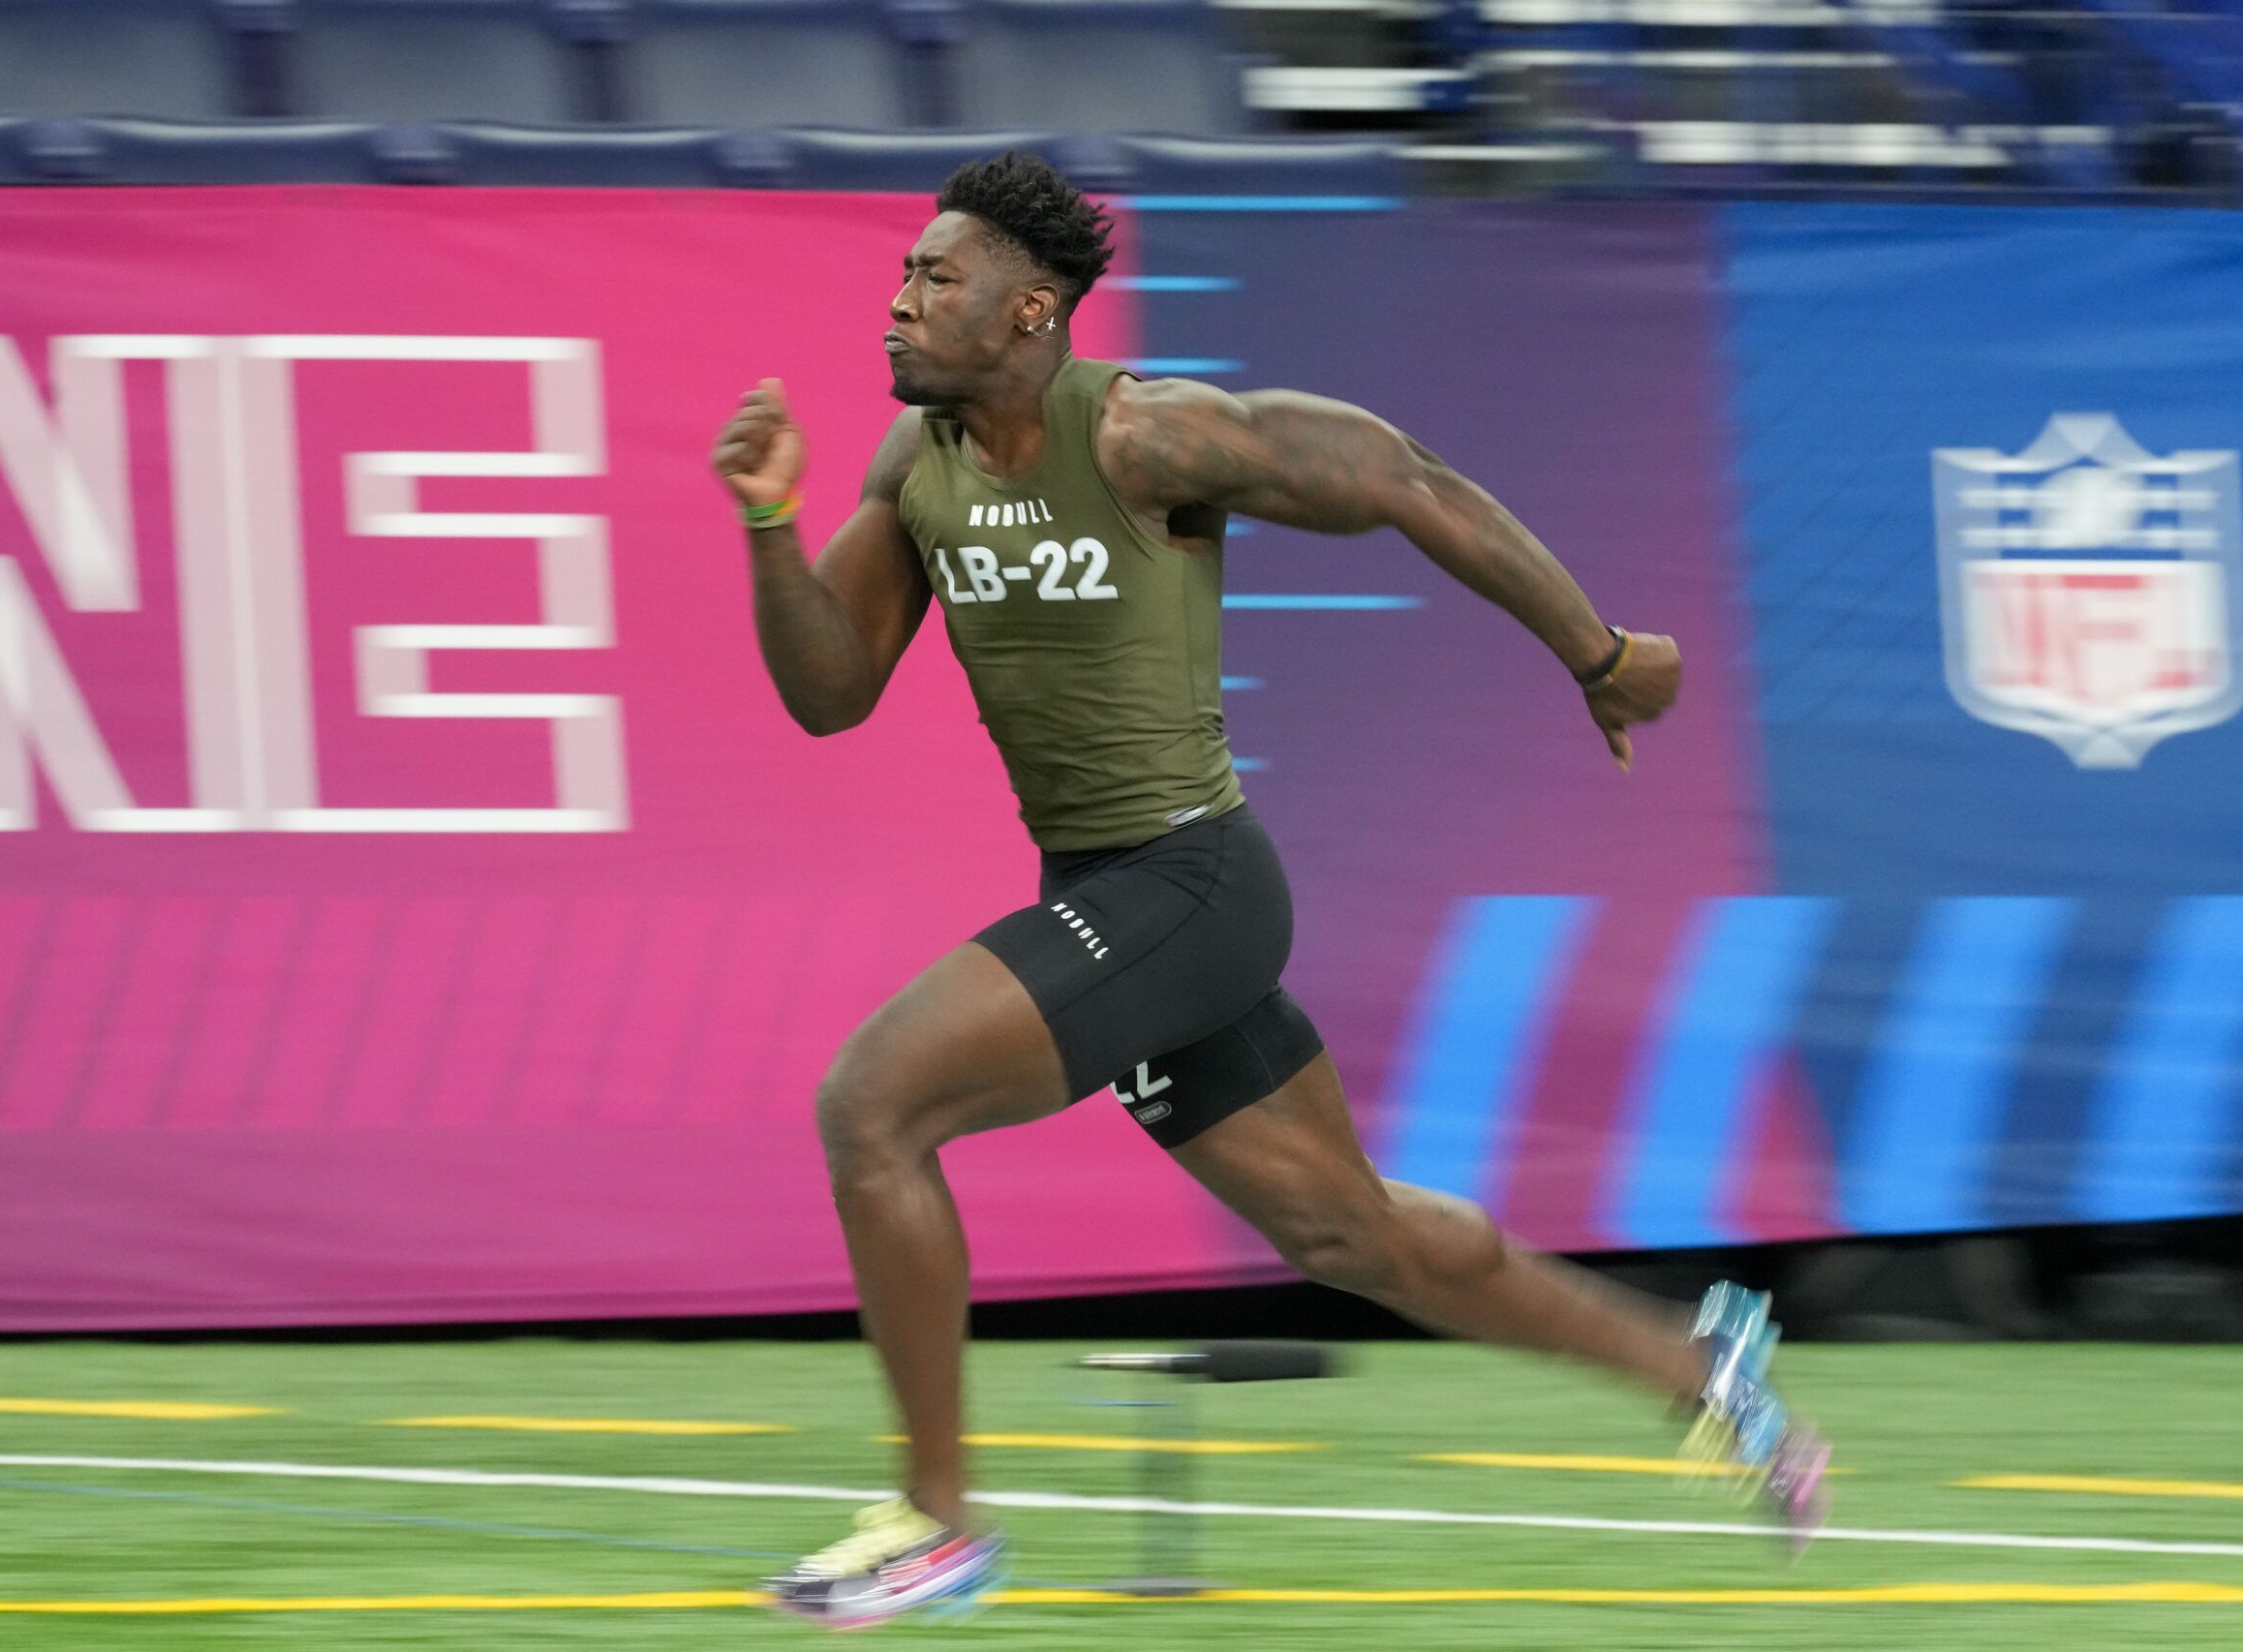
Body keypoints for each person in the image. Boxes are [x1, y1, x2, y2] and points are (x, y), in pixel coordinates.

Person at [712, 151, 1827, 1630]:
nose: (902, 299)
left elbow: (1403, 481)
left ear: (1032, 308)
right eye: (905, 273)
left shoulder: (1146, 436)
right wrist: (769, 526)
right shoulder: (911, 470)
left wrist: (1598, 653)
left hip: (1194, 881)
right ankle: (1703, 1364)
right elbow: (829, 691)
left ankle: (938, 1525)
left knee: (874, 1104)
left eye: (939, 275)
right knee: (1349, 1236)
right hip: (1112, 893)